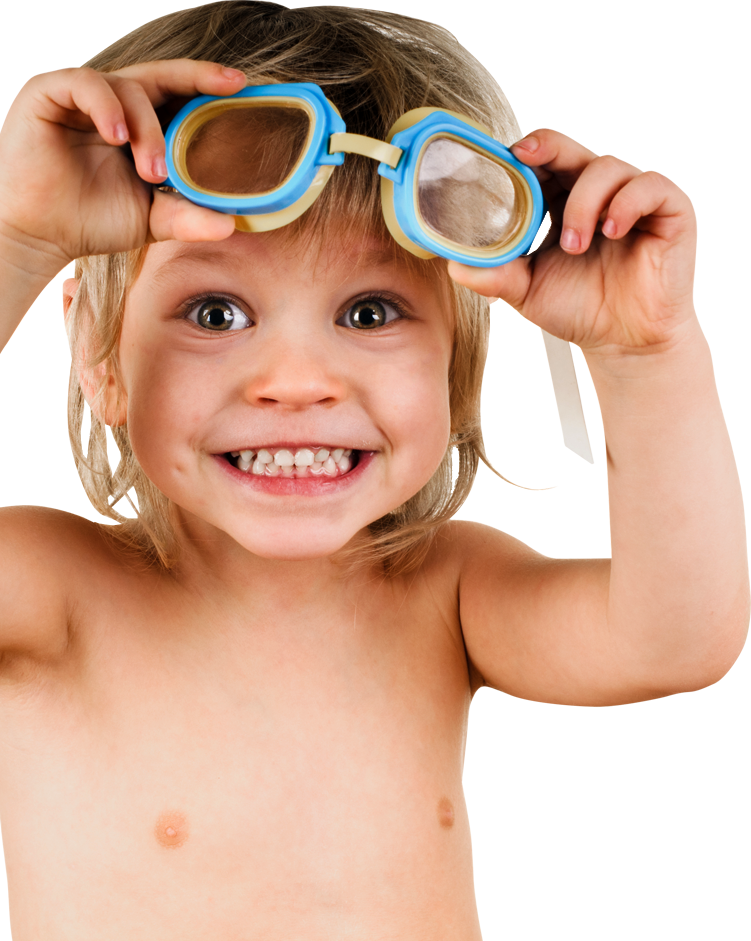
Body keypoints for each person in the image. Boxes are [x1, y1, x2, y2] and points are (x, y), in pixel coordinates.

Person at [0, 2, 746, 937]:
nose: (299, 382)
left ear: (456, 366)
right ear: (100, 362)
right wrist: (19, 244)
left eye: (369, 313)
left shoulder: (446, 591)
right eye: (216, 314)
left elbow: (680, 637)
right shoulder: (54, 592)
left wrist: (643, 357)